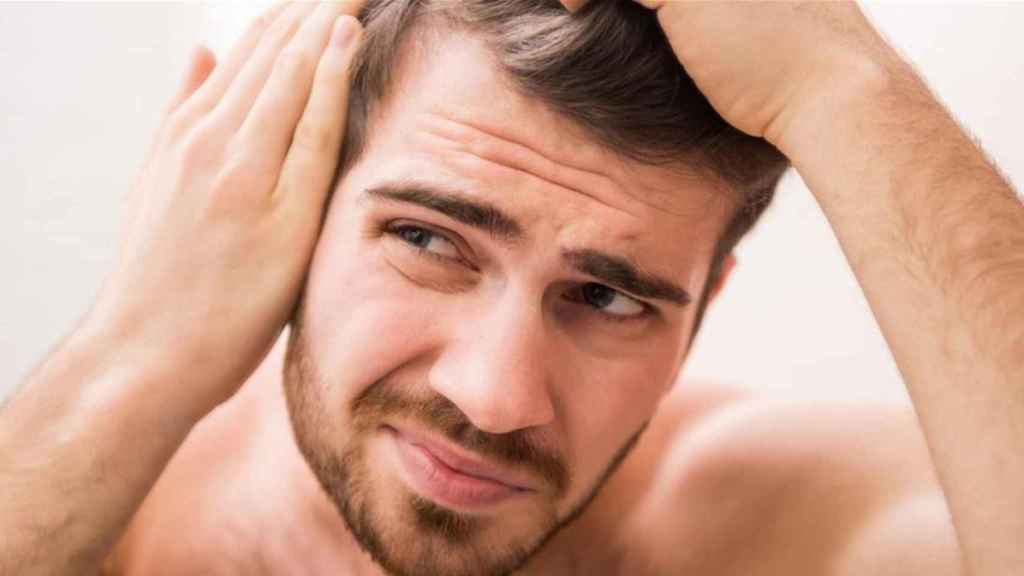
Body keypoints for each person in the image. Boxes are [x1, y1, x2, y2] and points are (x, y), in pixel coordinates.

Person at [2, 0, 1021, 574]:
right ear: (272, 198)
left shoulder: (751, 535)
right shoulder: (98, 518)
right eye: (427, 239)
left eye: (609, 299)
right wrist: (131, 353)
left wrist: (840, 80)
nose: (494, 395)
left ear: (705, 308)